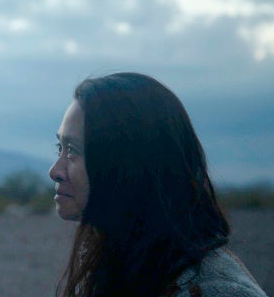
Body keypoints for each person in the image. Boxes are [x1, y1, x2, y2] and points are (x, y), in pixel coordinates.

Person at [48, 72, 268, 296]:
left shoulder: (214, 291)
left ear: (128, 163)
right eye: (60, 148)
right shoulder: (112, 263)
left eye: (73, 150)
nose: (55, 171)